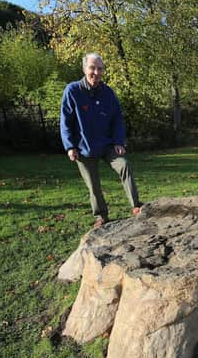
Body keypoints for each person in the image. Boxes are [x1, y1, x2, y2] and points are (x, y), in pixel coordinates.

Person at [60, 53, 141, 229]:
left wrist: (119, 141)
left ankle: (136, 206)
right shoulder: (72, 91)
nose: (96, 72)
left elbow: (117, 119)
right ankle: (101, 216)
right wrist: (70, 146)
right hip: (83, 148)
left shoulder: (108, 93)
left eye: (100, 68)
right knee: (93, 185)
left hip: (107, 145)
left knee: (124, 165)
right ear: (84, 69)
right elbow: (65, 121)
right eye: (92, 67)